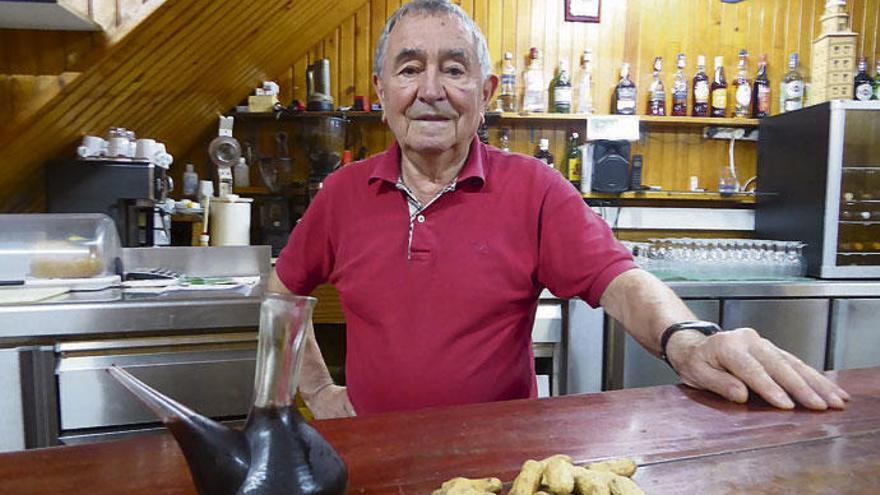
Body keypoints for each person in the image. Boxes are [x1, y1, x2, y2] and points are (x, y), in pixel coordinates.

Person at [269, 0, 849, 418]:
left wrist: (689, 340)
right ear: (383, 88)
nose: (430, 89)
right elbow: (281, 292)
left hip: (502, 462)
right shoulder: (342, 194)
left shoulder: (534, 188)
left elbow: (620, 279)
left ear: (487, 92)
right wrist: (319, 393)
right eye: (409, 68)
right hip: (376, 452)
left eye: (453, 69)